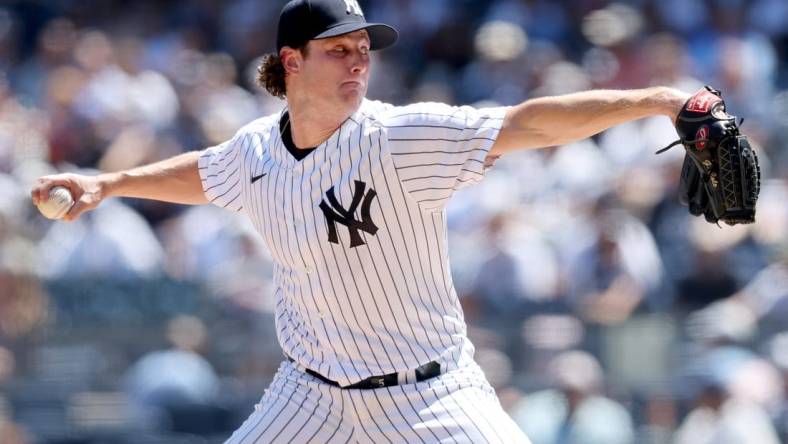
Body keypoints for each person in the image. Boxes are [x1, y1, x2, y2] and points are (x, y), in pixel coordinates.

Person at [30, 0, 690, 442]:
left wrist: (660, 101)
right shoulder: (255, 150)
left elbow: (529, 122)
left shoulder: (402, 137)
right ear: (292, 62)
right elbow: (202, 173)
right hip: (309, 395)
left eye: (363, 48)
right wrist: (108, 183)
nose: (359, 61)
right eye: (339, 49)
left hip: (429, 393)